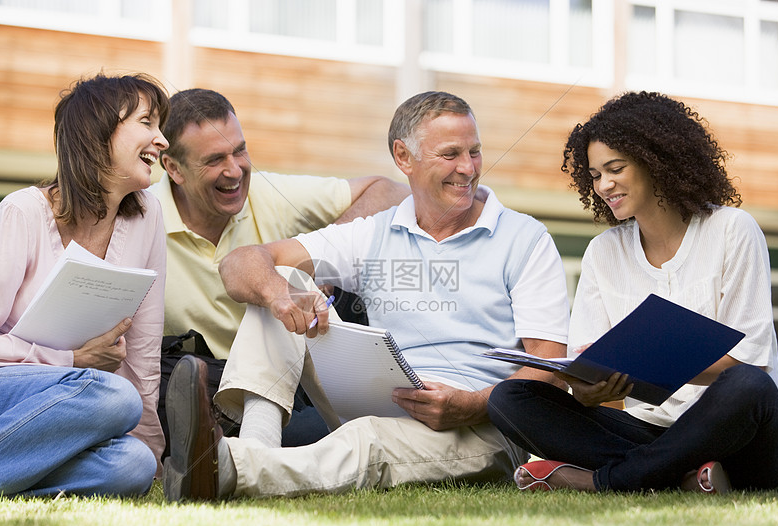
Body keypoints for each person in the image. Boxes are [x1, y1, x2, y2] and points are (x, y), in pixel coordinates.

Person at [162, 90, 572, 501]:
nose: (468, 168)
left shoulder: (526, 239)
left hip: (482, 429)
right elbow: (240, 263)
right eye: (451, 154)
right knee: (283, 279)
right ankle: (255, 445)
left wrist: (472, 403)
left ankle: (228, 467)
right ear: (404, 157)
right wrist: (281, 296)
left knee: (367, 438)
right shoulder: (375, 232)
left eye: (475, 152)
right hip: (388, 398)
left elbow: (550, 364)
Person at [487, 91, 778, 494]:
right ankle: (682, 476)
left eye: (615, 168)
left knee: (747, 386)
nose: (604, 185)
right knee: (510, 397)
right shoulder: (603, 252)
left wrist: (651, 369)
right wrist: (588, 388)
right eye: (595, 175)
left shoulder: (733, 230)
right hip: (650, 432)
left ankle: (606, 481)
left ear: (656, 160)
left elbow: (748, 361)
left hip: (744, 436)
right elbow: (584, 367)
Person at [0, 73, 170, 499]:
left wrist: (150, 446)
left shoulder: (148, 218)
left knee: (132, 464)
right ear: (99, 132)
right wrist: (68, 360)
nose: (162, 140)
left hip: (66, 411)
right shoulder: (22, 212)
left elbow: (142, 349)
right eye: (147, 123)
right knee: (114, 395)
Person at [151, 88, 410, 454]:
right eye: (214, 160)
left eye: (239, 150)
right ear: (173, 169)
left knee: (311, 429)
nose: (234, 169)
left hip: (283, 377)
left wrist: (321, 260)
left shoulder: (270, 194)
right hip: (196, 375)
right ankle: (240, 443)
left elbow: (387, 191)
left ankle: (244, 444)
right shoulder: (142, 216)